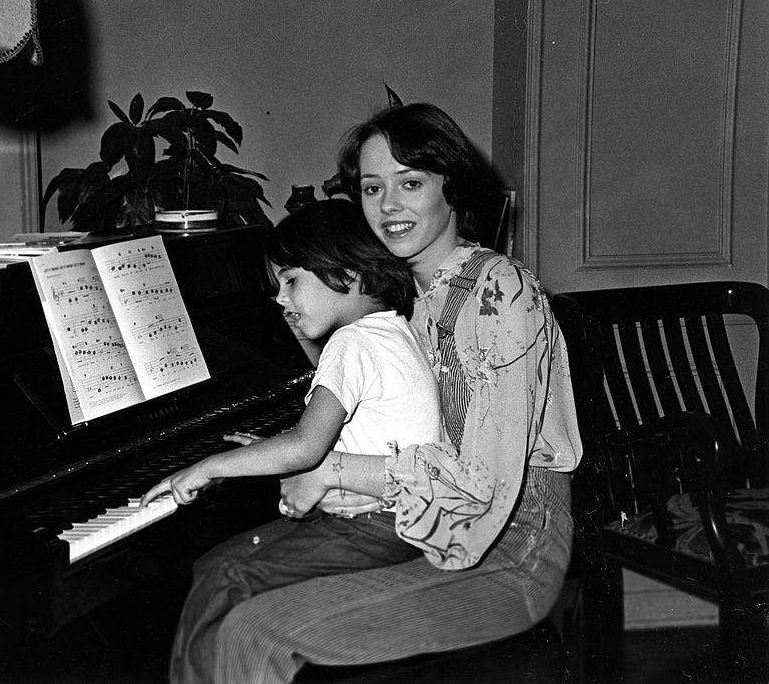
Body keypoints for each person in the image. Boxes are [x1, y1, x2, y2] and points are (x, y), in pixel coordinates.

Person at [161, 102, 584, 684]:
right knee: (220, 576)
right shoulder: (405, 294)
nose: (388, 206)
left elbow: (478, 485)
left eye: (410, 183)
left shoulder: (499, 290)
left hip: (505, 552)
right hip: (417, 527)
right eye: (371, 187)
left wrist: (329, 467)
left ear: (452, 187)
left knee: (250, 630)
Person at [142, 195, 441, 518]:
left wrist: (208, 468)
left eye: (291, 280)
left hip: (371, 527)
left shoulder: (350, 343)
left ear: (348, 272)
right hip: (406, 518)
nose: (280, 298)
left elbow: (304, 447)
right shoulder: (397, 329)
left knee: (222, 569)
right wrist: (264, 453)